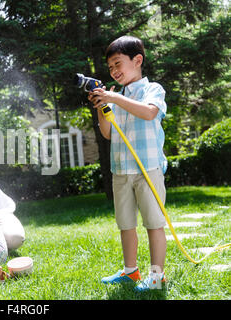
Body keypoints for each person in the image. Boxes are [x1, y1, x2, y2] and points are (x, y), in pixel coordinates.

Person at [88, 36, 167, 292]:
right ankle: (131, 272)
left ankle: (157, 276)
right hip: (121, 170)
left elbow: (149, 112)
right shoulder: (116, 96)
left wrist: (115, 100)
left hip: (147, 168)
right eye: (110, 67)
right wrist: (103, 107)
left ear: (137, 60)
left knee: (154, 222)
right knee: (126, 224)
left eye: (117, 64)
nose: (113, 71)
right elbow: (108, 133)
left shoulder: (152, 90)